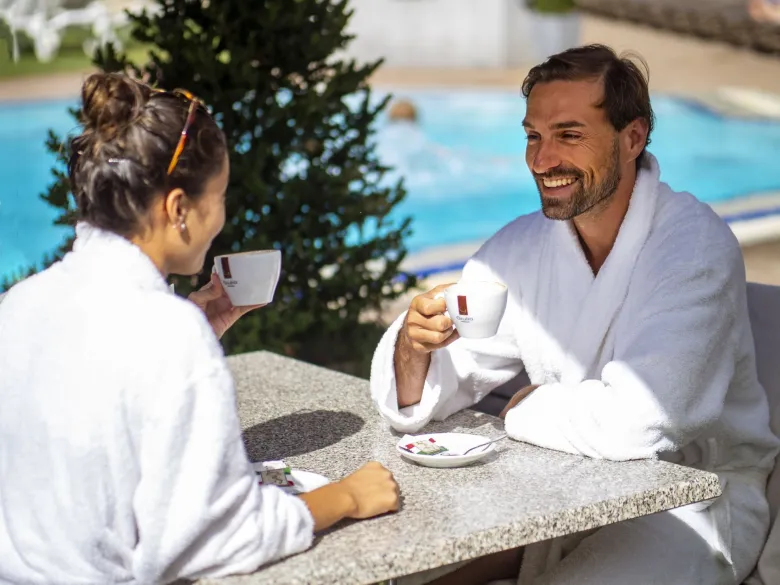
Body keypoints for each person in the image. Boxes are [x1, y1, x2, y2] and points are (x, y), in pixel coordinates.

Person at [370, 44, 780, 584]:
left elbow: (650, 419)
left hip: (693, 499)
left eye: (569, 134)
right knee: (398, 565)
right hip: (564, 485)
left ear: (632, 138)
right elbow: (447, 375)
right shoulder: (521, 246)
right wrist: (412, 348)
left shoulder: (693, 246)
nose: (542, 160)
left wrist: (523, 407)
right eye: (533, 136)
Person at [0, 72, 400, 584]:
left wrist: (195, 329)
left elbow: (86, 416)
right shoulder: (167, 332)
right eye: (221, 196)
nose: (222, 218)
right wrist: (344, 496)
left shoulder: (20, 302)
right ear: (179, 209)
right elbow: (203, 538)